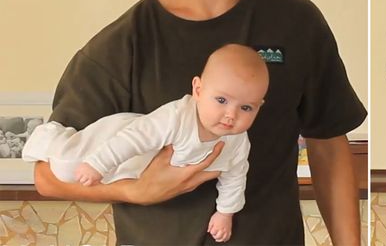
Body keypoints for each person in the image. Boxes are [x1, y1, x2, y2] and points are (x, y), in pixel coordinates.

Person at [32, 0, 367, 245]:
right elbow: (46, 177)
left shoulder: (297, 22)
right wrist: (134, 190)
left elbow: (329, 146)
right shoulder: (120, 46)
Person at [24, 44, 268, 243]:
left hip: (144, 168)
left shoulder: (237, 141)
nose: (231, 115)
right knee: (65, 167)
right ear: (198, 89)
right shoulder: (176, 117)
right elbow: (133, 139)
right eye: (222, 100)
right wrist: (97, 164)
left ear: (259, 106)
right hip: (127, 139)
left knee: (105, 175)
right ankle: (50, 136)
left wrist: (225, 212)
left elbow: (236, 175)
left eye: (246, 107)